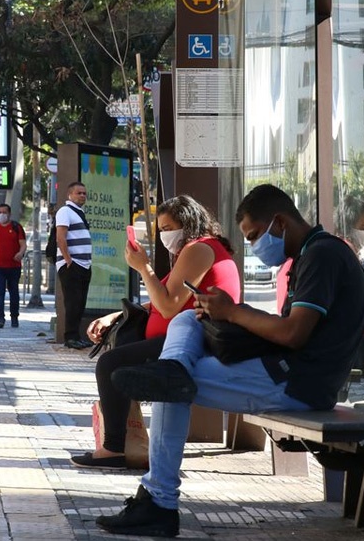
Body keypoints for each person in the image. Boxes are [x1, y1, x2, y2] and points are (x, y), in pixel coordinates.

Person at [97, 184, 364, 537]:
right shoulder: (311, 254)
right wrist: (224, 312)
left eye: (256, 235)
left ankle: (159, 503)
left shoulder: (323, 256)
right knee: (185, 324)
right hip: (284, 370)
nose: (255, 245)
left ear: (280, 222)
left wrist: (235, 312)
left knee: (168, 386)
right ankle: (174, 368)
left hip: (298, 381)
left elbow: (293, 334)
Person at [70, 195, 241, 470]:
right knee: (116, 358)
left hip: (195, 341)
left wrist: (143, 268)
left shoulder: (199, 249)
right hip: (180, 338)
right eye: (160, 230)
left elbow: (169, 306)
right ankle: (121, 443)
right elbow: (162, 299)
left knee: (111, 363)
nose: (164, 235)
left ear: (188, 223)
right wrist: (115, 315)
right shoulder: (195, 250)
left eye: (168, 228)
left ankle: (114, 448)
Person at [55, 181, 93, 349]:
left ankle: (77, 336)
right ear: (70, 195)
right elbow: (60, 237)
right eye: (79, 193)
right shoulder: (65, 211)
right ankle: (70, 337)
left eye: (84, 193)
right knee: (72, 302)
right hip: (72, 265)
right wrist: (68, 259)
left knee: (80, 303)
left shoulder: (79, 213)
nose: (83, 196)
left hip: (84, 264)